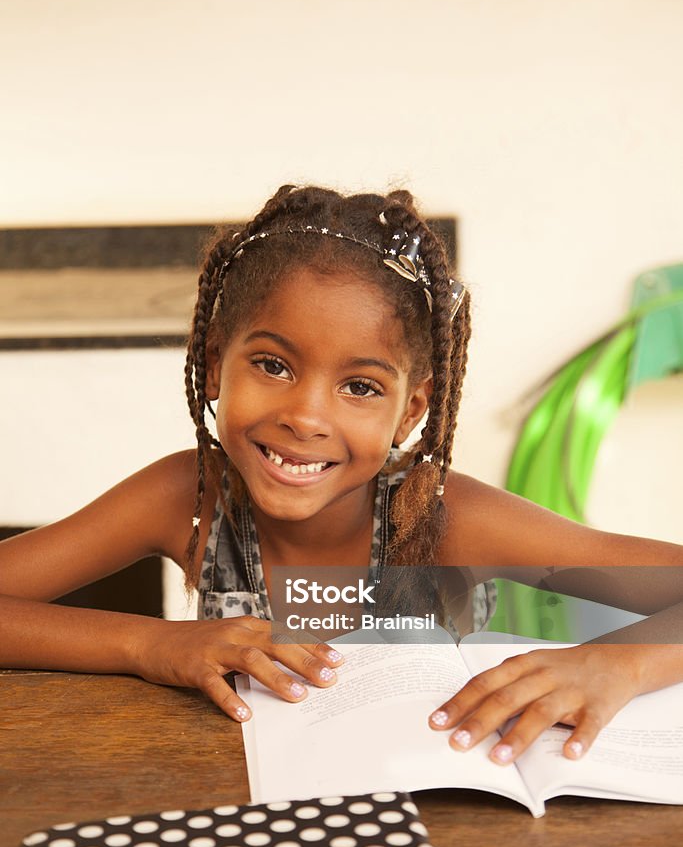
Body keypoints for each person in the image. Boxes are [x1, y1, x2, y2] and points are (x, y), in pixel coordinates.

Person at [1, 184, 682, 769]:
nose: (305, 416)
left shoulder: (443, 515)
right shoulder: (189, 498)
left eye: (358, 386)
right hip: (236, 801)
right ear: (214, 365)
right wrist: (148, 642)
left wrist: (616, 664)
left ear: (410, 410)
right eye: (272, 365)